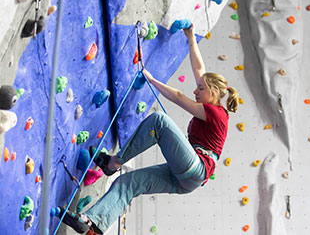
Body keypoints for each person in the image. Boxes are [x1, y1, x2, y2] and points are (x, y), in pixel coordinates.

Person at [59, 24, 239, 234]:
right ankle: (93, 225)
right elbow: (200, 70)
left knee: (159, 121)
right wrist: (190, 37)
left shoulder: (217, 113)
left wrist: (153, 81)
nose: (195, 91)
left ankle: (113, 162)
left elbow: (181, 98)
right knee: (129, 182)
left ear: (215, 92)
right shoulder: (210, 106)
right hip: (186, 180)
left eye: (201, 89)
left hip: (196, 168)